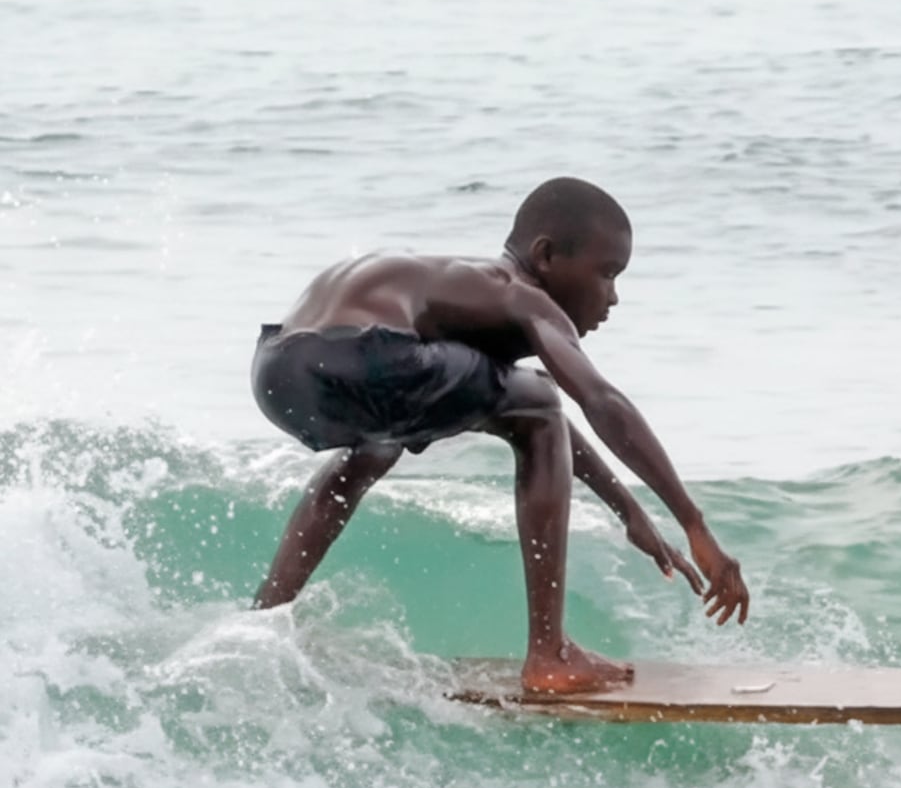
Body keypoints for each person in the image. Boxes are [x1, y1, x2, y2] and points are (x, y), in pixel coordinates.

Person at [250, 177, 750, 694]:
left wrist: (629, 511)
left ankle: (264, 619)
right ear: (547, 255)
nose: (613, 297)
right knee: (536, 398)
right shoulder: (521, 294)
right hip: (369, 354)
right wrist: (694, 523)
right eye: (607, 273)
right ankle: (549, 654)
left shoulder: (460, 291)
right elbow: (599, 402)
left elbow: (530, 414)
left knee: (379, 445)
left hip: (279, 368)